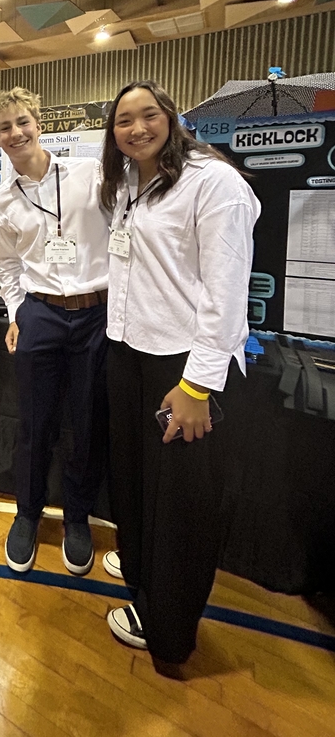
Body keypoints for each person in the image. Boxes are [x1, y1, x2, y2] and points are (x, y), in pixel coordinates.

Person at [100, 80, 260, 670]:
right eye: (123, 121)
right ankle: (142, 573)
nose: (137, 128)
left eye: (148, 115)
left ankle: (168, 630)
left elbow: (225, 295)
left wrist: (197, 385)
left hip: (186, 365)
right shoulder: (128, 185)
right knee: (140, 481)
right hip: (131, 352)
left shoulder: (214, 184)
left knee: (186, 504)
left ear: (171, 117)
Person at [0, 87, 110, 575]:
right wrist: (17, 314)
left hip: (95, 316)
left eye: (22, 122)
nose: (15, 133)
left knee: (86, 422)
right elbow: (8, 266)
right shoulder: (1, 200)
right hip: (40, 313)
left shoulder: (90, 174)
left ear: (39, 122)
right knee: (34, 424)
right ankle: (28, 514)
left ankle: (77, 517)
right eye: (4, 127)